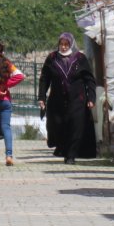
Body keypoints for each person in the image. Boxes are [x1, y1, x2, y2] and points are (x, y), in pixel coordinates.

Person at [38, 32, 97, 164]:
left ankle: (71, 155)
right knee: (59, 126)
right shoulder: (52, 58)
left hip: (77, 100)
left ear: (71, 44)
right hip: (57, 101)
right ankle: (63, 149)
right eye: (61, 44)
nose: (64, 47)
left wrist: (91, 98)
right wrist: (42, 97)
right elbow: (44, 79)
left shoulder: (80, 58)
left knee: (75, 127)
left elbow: (89, 80)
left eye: (66, 44)